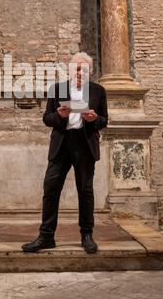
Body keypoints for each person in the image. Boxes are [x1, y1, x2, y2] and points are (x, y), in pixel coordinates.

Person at [22, 52, 108, 254]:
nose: (80, 72)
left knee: (85, 192)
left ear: (90, 71)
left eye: (84, 69)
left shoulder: (98, 91)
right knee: (51, 190)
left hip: (85, 145)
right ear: (70, 70)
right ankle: (46, 236)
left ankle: (87, 235)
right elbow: (47, 119)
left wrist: (93, 119)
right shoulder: (57, 89)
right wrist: (59, 116)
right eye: (77, 68)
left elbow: (104, 121)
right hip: (62, 144)